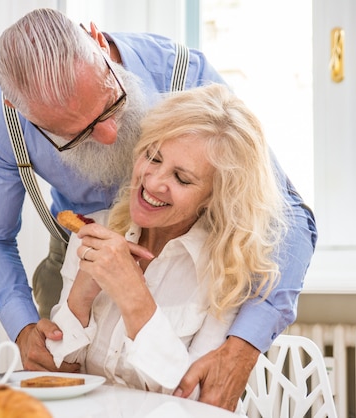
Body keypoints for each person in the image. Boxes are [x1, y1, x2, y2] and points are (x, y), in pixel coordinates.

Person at [0, 8, 317, 411]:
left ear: (98, 42)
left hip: (197, 254)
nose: (110, 134)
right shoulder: (7, 121)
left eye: (111, 103)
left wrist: (242, 347)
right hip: (79, 248)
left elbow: (286, 214)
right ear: (19, 108)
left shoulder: (180, 74)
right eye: (75, 135)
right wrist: (27, 327)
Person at [46, 84, 286, 405]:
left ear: (215, 196)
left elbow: (196, 401)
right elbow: (54, 372)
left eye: (182, 179)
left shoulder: (227, 272)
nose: (154, 181)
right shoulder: (94, 231)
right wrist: (81, 297)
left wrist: (134, 297)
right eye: (152, 156)